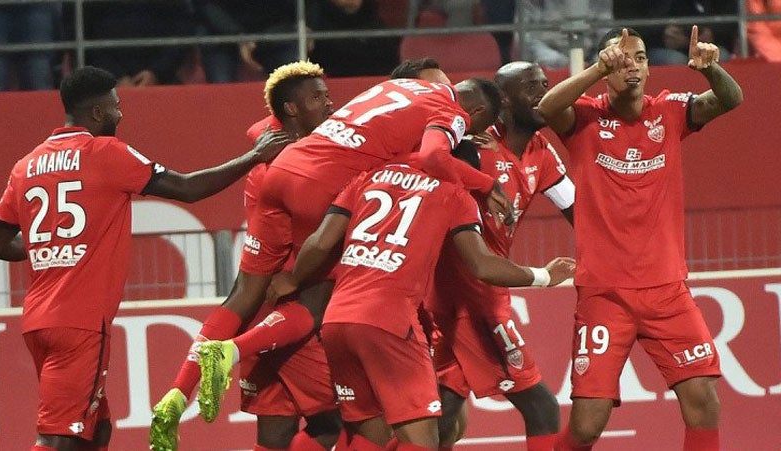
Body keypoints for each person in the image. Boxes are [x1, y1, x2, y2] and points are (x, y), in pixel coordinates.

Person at [0, 66, 291, 451]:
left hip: (37, 320)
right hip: (81, 321)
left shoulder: (26, 165)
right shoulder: (104, 152)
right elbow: (188, 188)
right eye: (115, 106)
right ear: (96, 113)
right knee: (57, 437)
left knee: (97, 429)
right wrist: (254, 156)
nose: (120, 113)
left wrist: (52, 251)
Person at [191, 76, 513, 425]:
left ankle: (186, 384)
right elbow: (435, 158)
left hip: (286, 167)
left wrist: (294, 276)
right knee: (395, 422)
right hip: (379, 305)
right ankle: (231, 350)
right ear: (476, 112)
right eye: (473, 128)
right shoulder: (449, 151)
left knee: (250, 295)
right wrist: (485, 183)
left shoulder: (401, 90)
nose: (466, 135)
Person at [215, 161, 576, 450]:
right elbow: (482, 265)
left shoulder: (365, 178)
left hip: (337, 321)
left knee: (367, 435)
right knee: (423, 440)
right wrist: (543, 275)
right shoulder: (453, 194)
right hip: (391, 322)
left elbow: (320, 242)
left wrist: (293, 279)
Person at [536, 27, 742, 450]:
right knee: (587, 425)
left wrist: (712, 69)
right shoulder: (583, 119)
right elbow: (544, 108)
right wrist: (597, 69)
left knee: (703, 398)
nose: (634, 66)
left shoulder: (669, 111)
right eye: (624, 59)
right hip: (605, 294)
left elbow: (730, 99)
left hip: (667, 290)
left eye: (642, 58)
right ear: (608, 65)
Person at [150, 61, 342, 451]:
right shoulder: (291, 168)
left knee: (273, 436)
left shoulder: (272, 143)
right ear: (292, 109)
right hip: (288, 320)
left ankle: (180, 389)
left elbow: (243, 294)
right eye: (318, 97)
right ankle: (229, 352)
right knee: (343, 422)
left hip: (261, 318)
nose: (330, 103)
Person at [427, 61, 575, 451]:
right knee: (540, 406)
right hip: (472, 296)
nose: (544, 95)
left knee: (442, 425)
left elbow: (580, 212)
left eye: (546, 84)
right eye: (531, 88)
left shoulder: (542, 152)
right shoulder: (471, 145)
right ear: (504, 99)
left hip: (475, 294)